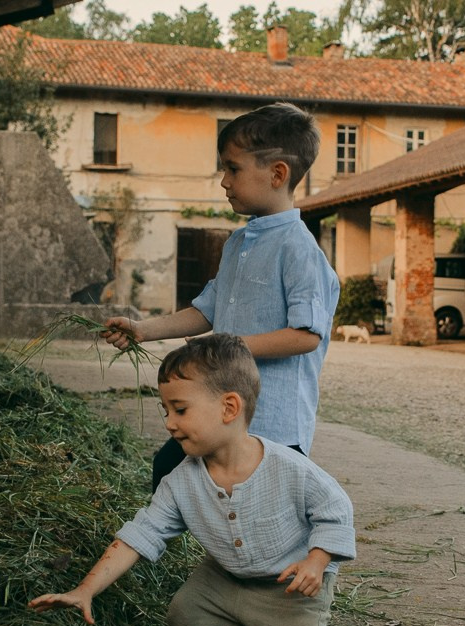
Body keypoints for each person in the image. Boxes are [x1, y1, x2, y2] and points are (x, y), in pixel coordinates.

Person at [28, 334, 364, 626]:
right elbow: (141, 533)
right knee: (187, 618)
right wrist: (85, 589)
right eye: (166, 410)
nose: (169, 423)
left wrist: (316, 561)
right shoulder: (181, 482)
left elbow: (335, 509)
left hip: (289, 587)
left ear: (229, 407)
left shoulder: (289, 468)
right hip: (223, 578)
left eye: (180, 410)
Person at [103, 102, 340, 494]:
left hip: (273, 424)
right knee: (170, 470)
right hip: (222, 413)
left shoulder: (299, 250)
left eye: (233, 168)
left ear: (277, 173)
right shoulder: (238, 243)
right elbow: (206, 310)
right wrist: (143, 330)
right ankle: (176, 550)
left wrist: (228, 347)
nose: (224, 181)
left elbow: (305, 336)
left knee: (260, 509)